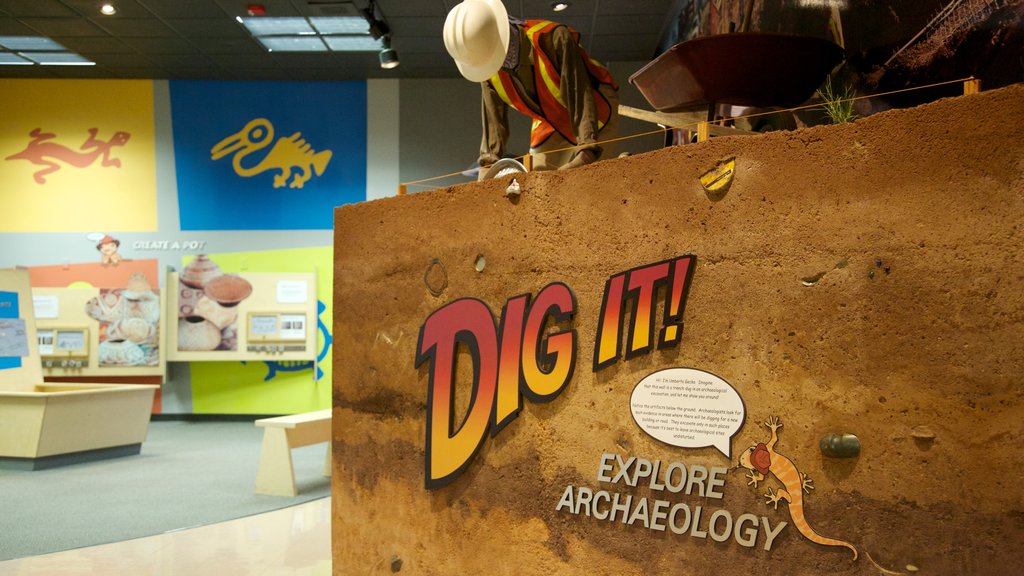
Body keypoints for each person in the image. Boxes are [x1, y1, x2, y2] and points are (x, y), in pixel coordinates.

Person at [443, 0, 619, 175]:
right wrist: (487, 169)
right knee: (538, 179)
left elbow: (579, 93)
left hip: (595, 107)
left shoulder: (552, 38)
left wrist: (587, 151)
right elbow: (493, 125)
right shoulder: (487, 67)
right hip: (548, 119)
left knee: (591, 179)